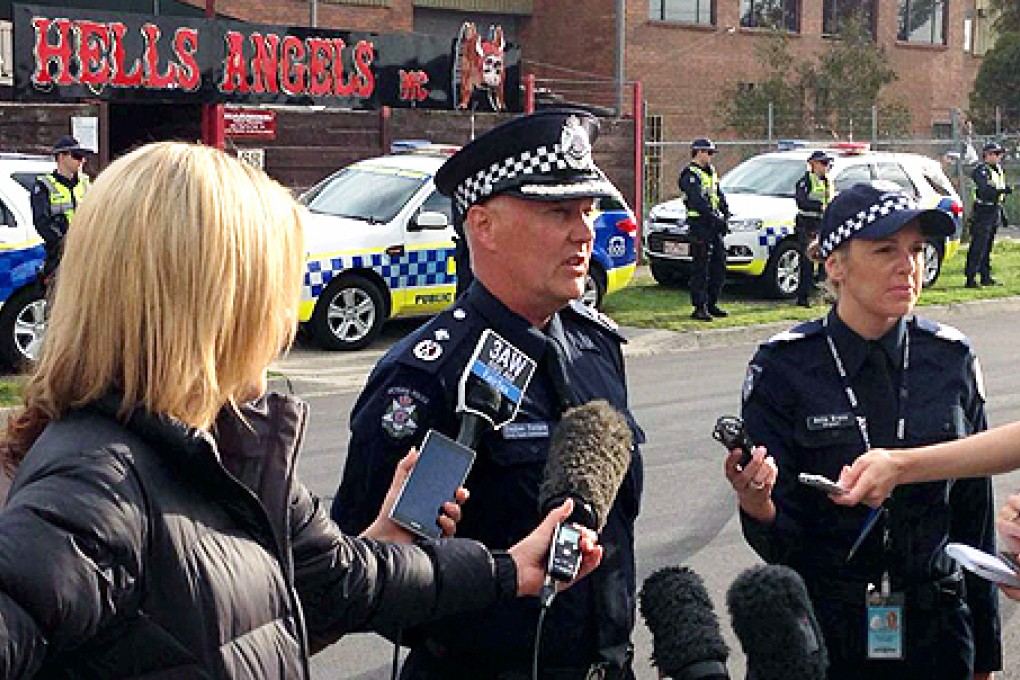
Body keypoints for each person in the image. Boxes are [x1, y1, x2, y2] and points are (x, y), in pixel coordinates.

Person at [0, 141, 603, 678]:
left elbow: (341, 581)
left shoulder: (227, 444)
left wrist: (501, 568)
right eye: (273, 285)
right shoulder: (93, 487)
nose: (285, 318)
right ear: (214, 301)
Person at [332, 109, 644, 679]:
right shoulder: (426, 376)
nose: (584, 232)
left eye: (587, 210)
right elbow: (363, 579)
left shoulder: (596, 347)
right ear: (484, 226)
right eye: (558, 212)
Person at [724, 183, 1000, 680]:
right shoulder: (785, 367)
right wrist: (758, 504)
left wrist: (986, 653)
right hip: (825, 627)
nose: (908, 265)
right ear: (835, 265)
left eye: (916, 250)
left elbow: (973, 511)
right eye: (885, 250)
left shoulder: (950, 358)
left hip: (934, 625)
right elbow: (781, 538)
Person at [679, 137, 730, 321]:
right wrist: (715, 217)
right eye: (708, 153)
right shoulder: (690, 174)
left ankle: (712, 302)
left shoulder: (710, 172)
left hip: (714, 225)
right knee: (701, 267)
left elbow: (718, 195)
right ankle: (699, 307)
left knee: (719, 265)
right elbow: (697, 200)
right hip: (700, 225)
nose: (710, 157)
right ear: (698, 152)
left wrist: (725, 214)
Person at [30, 135, 91, 285]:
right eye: (77, 156)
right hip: (59, 254)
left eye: (83, 156)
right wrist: (64, 244)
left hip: (86, 252)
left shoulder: (86, 183)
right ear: (61, 157)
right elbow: (42, 222)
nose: (82, 161)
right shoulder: (44, 186)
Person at [965, 142, 1010, 289]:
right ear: (987, 155)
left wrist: (1001, 212)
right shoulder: (981, 170)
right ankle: (971, 278)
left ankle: (985, 276)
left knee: (988, 245)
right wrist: (1001, 191)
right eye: (996, 154)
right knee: (978, 245)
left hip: (994, 210)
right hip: (983, 210)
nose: (999, 157)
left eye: (1000, 154)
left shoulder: (997, 170)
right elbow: (985, 189)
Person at [794, 150, 834, 307]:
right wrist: (819, 206)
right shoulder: (805, 182)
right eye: (823, 163)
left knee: (825, 260)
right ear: (813, 164)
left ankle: (823, 295)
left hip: (822, 223)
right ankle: (803, 297)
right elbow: (801, 202)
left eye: (828, 164)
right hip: (807, 224)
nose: (826, 167)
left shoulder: (827, 181)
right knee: (807, 261)